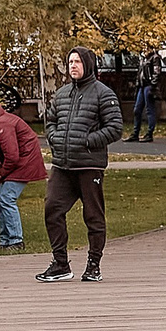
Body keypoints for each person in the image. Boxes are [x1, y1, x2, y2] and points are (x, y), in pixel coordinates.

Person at [40, 46, 122, 282]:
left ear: (88, 65)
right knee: (52, 210)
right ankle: (60, 264)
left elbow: (115, 128)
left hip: (89, 166)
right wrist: (54, 137)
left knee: (93, 217)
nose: (73, 66)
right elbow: (51, 121)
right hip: (63, 166)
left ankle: (94, 265)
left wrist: (88, 141)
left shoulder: (103, 94)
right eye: (70, 62)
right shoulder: (63, 93)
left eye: (77, 62)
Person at [0, 95, 45, 250]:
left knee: (6, 198)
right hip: (19, 161)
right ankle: (5, 241)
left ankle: (16, 240)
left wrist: (1, 172)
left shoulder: (0, 125)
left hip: (24, 161)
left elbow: (12, 155)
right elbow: (3, 150)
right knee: (2, 198)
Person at [129, 49, 161, 143]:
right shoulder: (143, 58)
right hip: (142, 86)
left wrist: (153, 85)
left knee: (149, 109)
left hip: (149, 86)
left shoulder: (155, 58)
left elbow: (157, 72)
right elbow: (140, 73)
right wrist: (138, 84)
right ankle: (135, 133)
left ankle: (149, 133)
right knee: (137, 109)